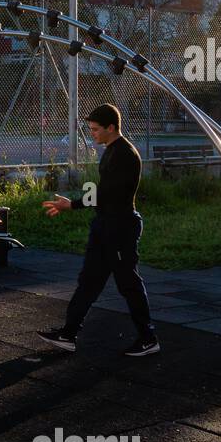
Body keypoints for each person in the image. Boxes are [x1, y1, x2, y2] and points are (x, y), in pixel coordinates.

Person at [38, 103, 159, 357]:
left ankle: (148, 339)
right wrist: (78, 204)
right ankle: (68, 333)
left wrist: (72, 204)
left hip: (120, 228)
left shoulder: (125, 154)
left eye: (95, 129)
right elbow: (101, 193)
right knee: (89, 281)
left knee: (128, 283)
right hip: (104, 226)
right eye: (90, 128)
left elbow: (106, 194)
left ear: (111, 127)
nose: (91, 133)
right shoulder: (111, 151)